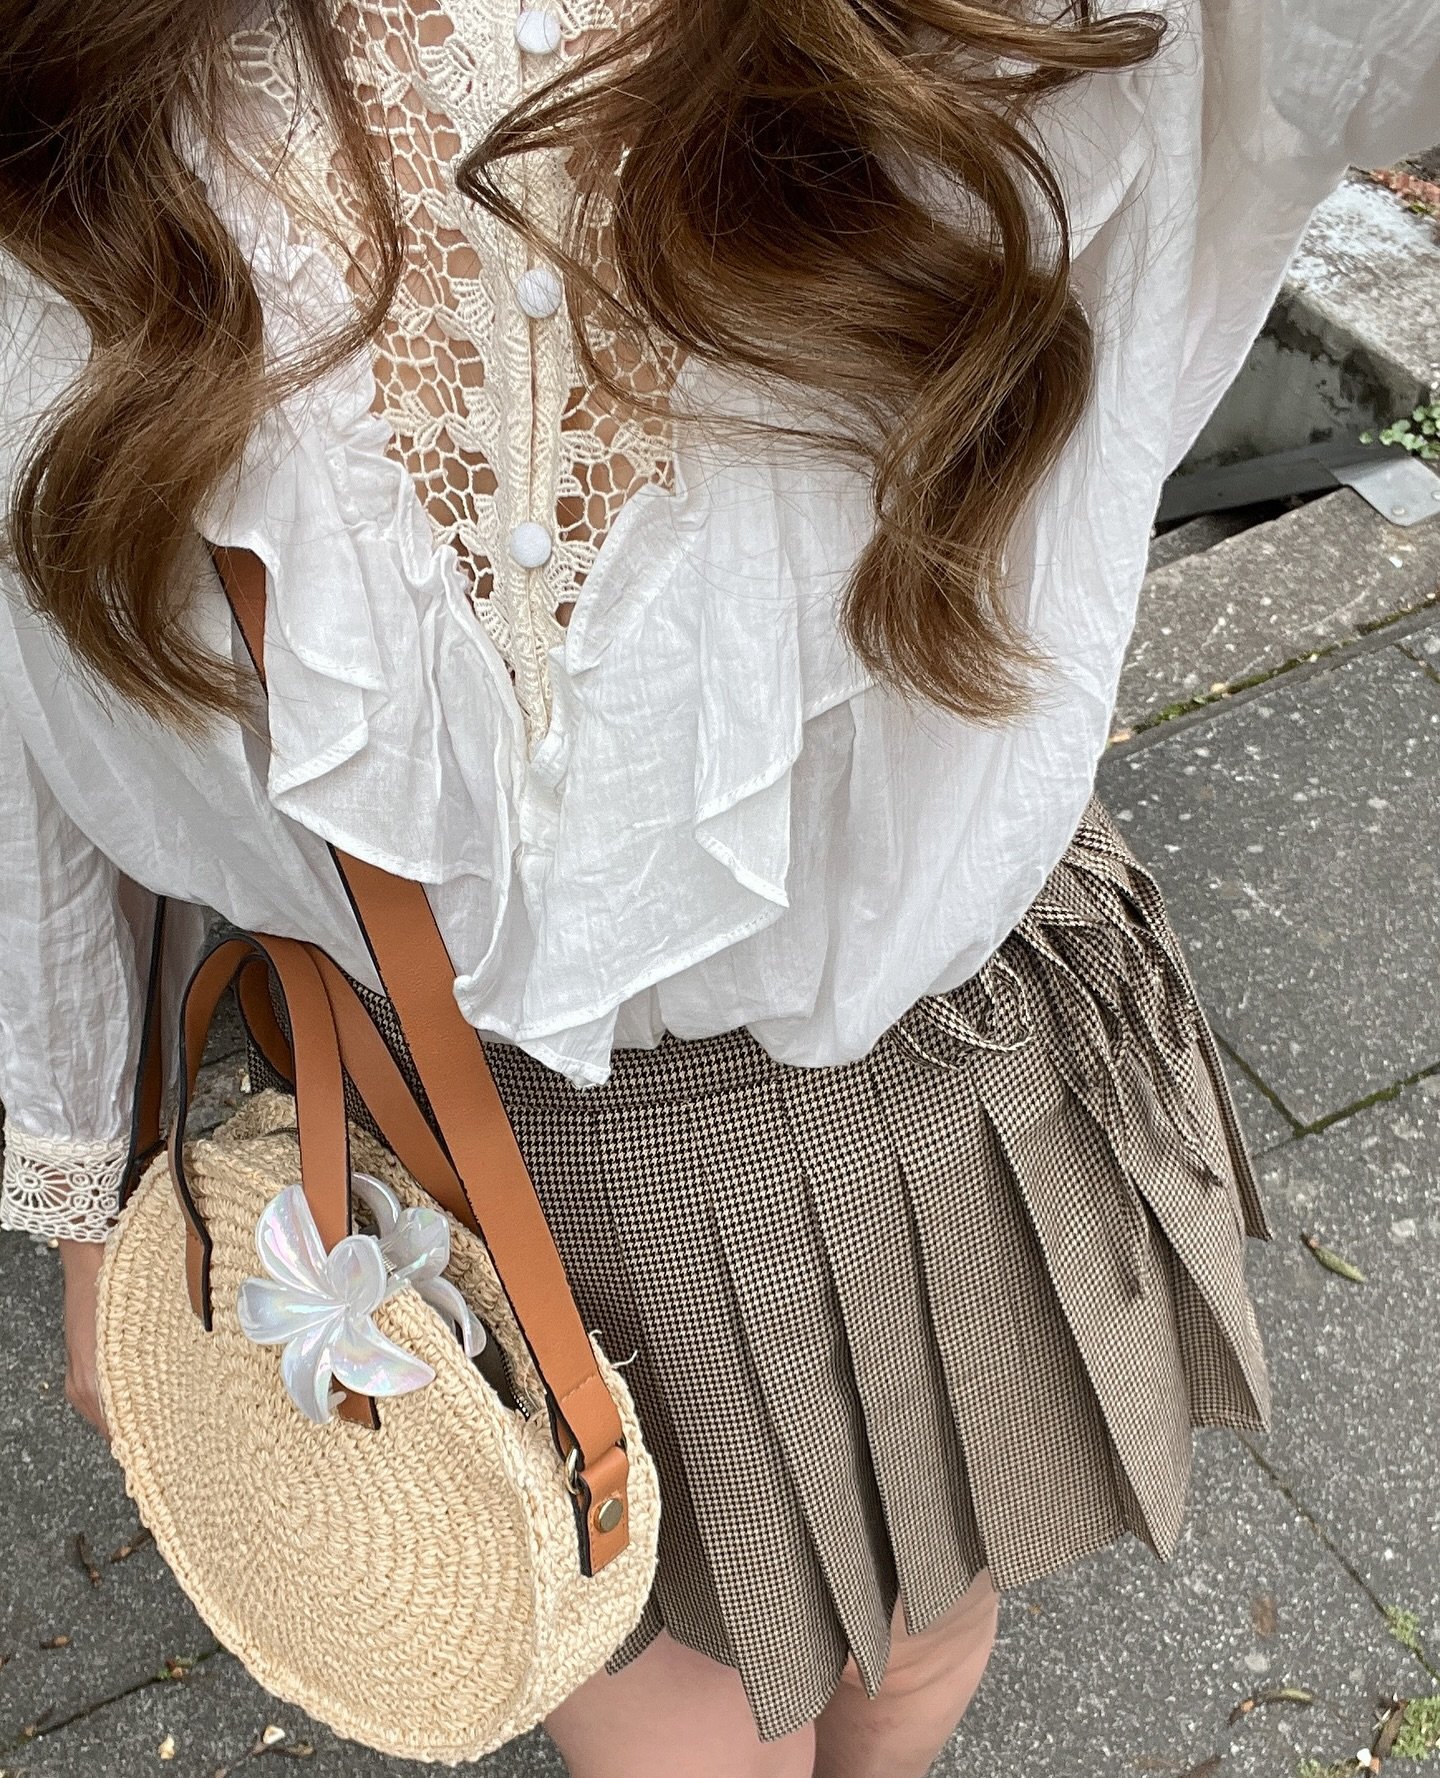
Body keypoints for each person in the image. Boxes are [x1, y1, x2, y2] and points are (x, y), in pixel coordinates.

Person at [2, 1, 1437, 1774]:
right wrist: (90, 1181)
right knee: (675, 1726)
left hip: (931, 1075)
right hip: (468, 1154)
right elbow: (33, 679)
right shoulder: (89, 67)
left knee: (928, 1629)